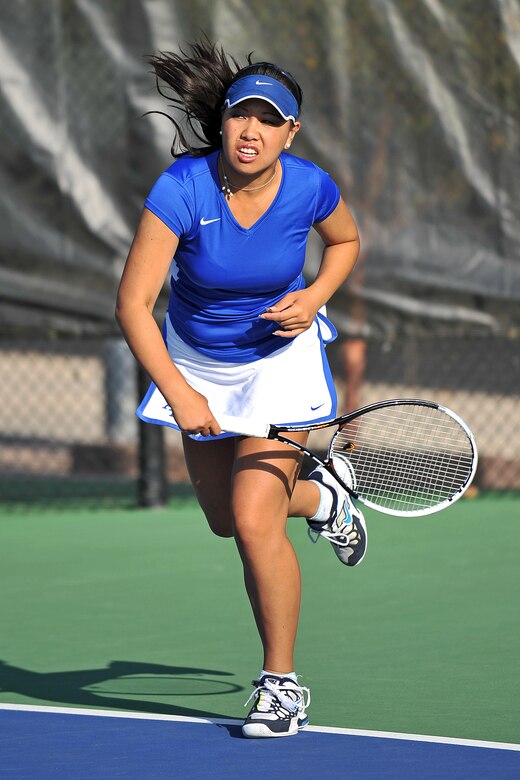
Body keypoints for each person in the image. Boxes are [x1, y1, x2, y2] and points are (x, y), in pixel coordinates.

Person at [116, 38, 367, 739]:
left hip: (280, 362)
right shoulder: (183, 189)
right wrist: (180, 393)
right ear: (222, 121)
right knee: (225, 517)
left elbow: (346, 242)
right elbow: (133, 304)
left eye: (269, 120)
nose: (250, 131)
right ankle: (324, 497)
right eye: (239, 116)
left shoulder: (309, 186)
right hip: (197, 363)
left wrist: (314, 295)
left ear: (292, 132)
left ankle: (281, 686)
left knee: (255, 522)